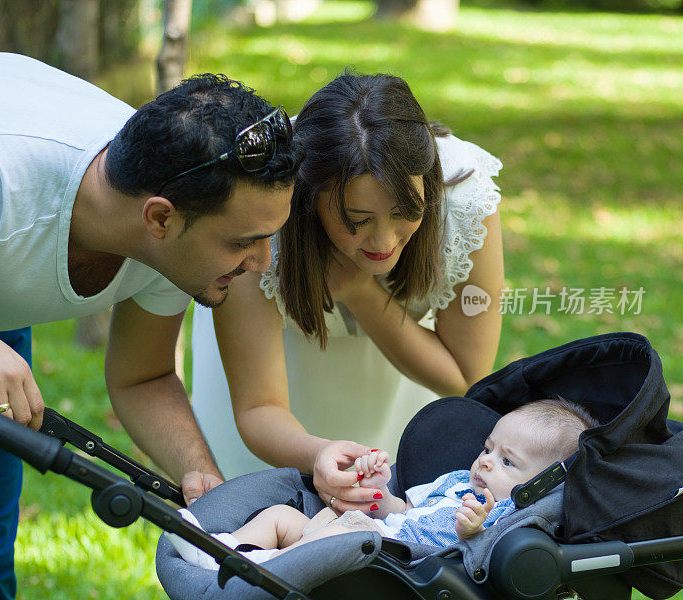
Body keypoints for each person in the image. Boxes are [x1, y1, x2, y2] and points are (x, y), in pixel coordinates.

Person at [0, 51, 303, 599]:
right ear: (159, 218)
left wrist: (204, 481)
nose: (263, 263)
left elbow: (143, 377)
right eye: (244, 241)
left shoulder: (170, 225)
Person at [191, 72, 504, 511]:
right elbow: (259, 406)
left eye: (403, 213)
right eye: (356, 220)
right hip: (275, 404)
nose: (383, 242)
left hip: (400, 378)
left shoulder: (464, 199)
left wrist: (361, 293)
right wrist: (317, 453)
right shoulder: (260, 215)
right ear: (309, 197)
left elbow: (467, 378)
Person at [169, 398, 599, 569]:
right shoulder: (453, 483)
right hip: (373, 531)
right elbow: (403, 513)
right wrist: (380, 490)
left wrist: (473, 532)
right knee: (284, 514)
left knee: (351, 528)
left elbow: (475, 557)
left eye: (507, 461)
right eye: (488, 448)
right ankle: (224, 548)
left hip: (390, 557)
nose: (486, 462)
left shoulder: (506, 516)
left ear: (540, 486)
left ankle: (257, 567)